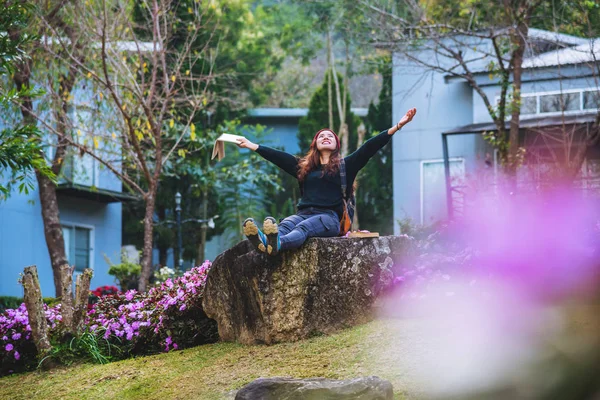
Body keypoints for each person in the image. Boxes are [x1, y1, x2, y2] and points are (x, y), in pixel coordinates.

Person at [236, 107, 417, 255]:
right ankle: (263, 241)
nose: (325, 137)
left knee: (304, 229)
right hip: (303, 213)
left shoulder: (346, 166)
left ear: (336, 146)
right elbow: (278, 157)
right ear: (314, 144)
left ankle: (277, 244)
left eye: (330, 136)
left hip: (329, 218)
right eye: (321, 136)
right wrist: (251, 145)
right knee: (286, 224)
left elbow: (369, 147)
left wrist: (397, 126)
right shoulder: (304, 168)